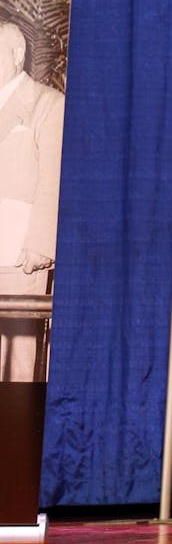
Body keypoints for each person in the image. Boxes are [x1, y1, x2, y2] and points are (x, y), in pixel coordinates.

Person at [0, 20, 65, 382]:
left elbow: (54, 179)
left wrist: (41, 243)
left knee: (16, 367)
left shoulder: (48, 103)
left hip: (18, 260)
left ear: (16, 54)